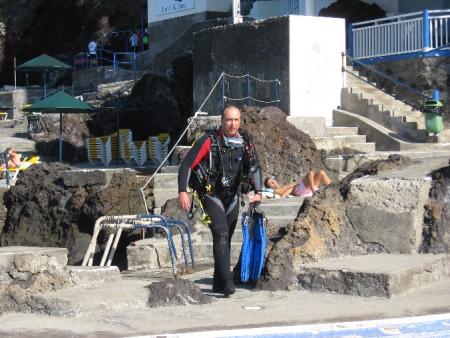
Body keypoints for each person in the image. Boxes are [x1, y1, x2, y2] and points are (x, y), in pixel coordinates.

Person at [178, 105, 263, 297]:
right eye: (228, 120)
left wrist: (258, 191)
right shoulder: (209, 141)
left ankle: (218, 281)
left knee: (226, 239)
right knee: (221, 233)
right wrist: (182, 191)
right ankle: (227, 283)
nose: (232, 124)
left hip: (232, 196)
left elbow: (256, 167)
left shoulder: (246, 142)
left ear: (240, 121)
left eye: (236, 120)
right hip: (210, 194)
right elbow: (186, 165)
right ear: (222, 121)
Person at [264, 170, 332, 198]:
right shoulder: (276, 190)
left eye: (273, 180)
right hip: (299, 190)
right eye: (271, 183)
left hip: (306, 189)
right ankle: (314, 192)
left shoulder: (282, 186)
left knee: (321, 172)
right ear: (270, 187)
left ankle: (333, 189)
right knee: (310, 173)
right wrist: (291, 185)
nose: (274, 182)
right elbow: (282, 194)